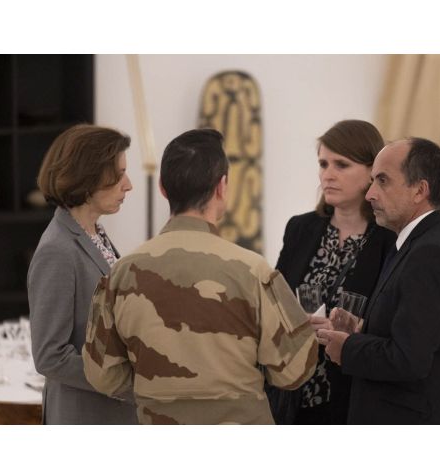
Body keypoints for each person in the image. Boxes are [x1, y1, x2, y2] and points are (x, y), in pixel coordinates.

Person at [82, 128, 318, 425]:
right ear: (222, 187)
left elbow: (102, 374)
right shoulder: (253, 271)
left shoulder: (121, 274)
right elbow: (295, 369)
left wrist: (158, 387)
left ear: (163, 189)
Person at [318, 137, 440, 424]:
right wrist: (363, 329)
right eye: (372, 180)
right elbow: (423, 338)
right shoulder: (430, 243)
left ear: (419, 190)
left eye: (382, 181)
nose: (370, 193)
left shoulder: (431, 253)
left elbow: (409, 360)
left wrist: (347, 348)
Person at [267, 120, 395, 424]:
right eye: (323, 164)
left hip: (353, 392)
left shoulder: (388, 239)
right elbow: (275, 300)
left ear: (371, 173)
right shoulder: (301, 228)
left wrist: (353, 329)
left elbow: (391, 324)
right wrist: (296, 323)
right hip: (295, 389)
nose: (328, 174)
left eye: (342, 164)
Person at [27, 124, 138, 424]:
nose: (128, 185)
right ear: (88, 177)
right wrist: (125, 380)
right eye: (119, 174)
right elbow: (50, 356)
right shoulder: (58, 250)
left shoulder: (94, 235)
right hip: (84, 416)